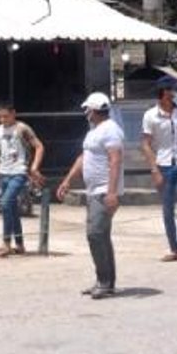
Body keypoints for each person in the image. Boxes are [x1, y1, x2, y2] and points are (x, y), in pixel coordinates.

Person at [57, 92, 124, 300]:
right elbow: (84, 157)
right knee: (101, 236)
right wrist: (68, 180)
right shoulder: (93, 131)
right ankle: (105, 281)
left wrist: (112, 192)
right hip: (93, 190)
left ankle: (105, 282)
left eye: (87, 110)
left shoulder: (111, 130)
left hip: (104, 190)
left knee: (95, 234)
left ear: (94, 110)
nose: (86, 113)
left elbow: (115, 160)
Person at [0, 101, 45, 257]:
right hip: (3, 173)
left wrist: (34, 167)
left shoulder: (22, 129)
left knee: (6, 203)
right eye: (0, 117)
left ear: (13, 113)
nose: (3, 120)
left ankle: (6, 243)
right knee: (11, 208)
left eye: (6, 116)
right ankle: (19, 244)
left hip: (19, 172)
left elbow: (39, 146)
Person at [140, 75, 177, 262]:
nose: (175, 93)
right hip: (163, 164)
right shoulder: (150, 116)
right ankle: (173, 248)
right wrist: (154, 169)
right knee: (167, 208)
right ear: (163, 93)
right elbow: (146, 144)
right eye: (172, 90)